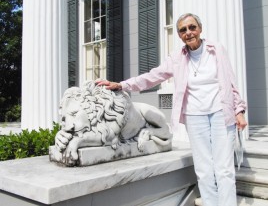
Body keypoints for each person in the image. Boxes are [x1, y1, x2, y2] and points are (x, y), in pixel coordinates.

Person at [96, 13, 247, 206]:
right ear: (179, 35)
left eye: (192, 27)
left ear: (200, 29)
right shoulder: (177, 58)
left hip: (221, 113)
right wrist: (122, 85)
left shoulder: (216, 50)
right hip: (195, 116)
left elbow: (231, 83)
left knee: (224, 168)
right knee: (204, 169)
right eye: (183, 30)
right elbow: (152, 77)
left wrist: (239, 111)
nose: (189, 32)